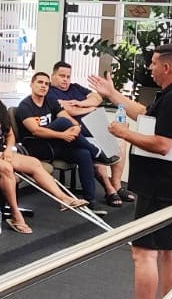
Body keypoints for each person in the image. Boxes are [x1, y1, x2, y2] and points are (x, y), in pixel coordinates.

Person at [87, 44, 172, 299]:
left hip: (160, 186)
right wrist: (113, 94)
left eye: (153, 63)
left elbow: (162, 144)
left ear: (166, 67)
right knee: (171, 249)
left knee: (143, 252)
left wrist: (123, 133)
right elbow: (146, 115)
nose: (150, 68)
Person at [0, 76, 90, 231]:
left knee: (34, 163)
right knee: (7, 169)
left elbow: (10, 136)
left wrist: (8, 149)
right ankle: (16, 215)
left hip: (1, 153)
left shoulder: (0, 111)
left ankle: (63, 199)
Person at [15, 71, 113, 212]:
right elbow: (36, 131)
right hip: (37, 146)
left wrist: (76, 127)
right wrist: (62, 135)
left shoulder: (50, 102)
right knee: (62, 122)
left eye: (46, 84)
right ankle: (96, 152)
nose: (43, 86)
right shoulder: (25, 106)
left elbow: (66, 117)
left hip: (55, 144)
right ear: (31, 84)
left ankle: (90, 200)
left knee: (84, 154)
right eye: (40, 82)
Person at [48, 60, 130, 206]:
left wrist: (82, 103)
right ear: (53, 76)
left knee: (121, 140)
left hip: (95, 127)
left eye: (68, 76)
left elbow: (97, 98)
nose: (65, 80)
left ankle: (116, 184)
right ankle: (110, 189)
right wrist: (90, 108)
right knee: (96, 151)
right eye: (62, 76)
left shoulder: (75, 87)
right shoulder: (49, 93)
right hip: (76, 134)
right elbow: (70, 111)